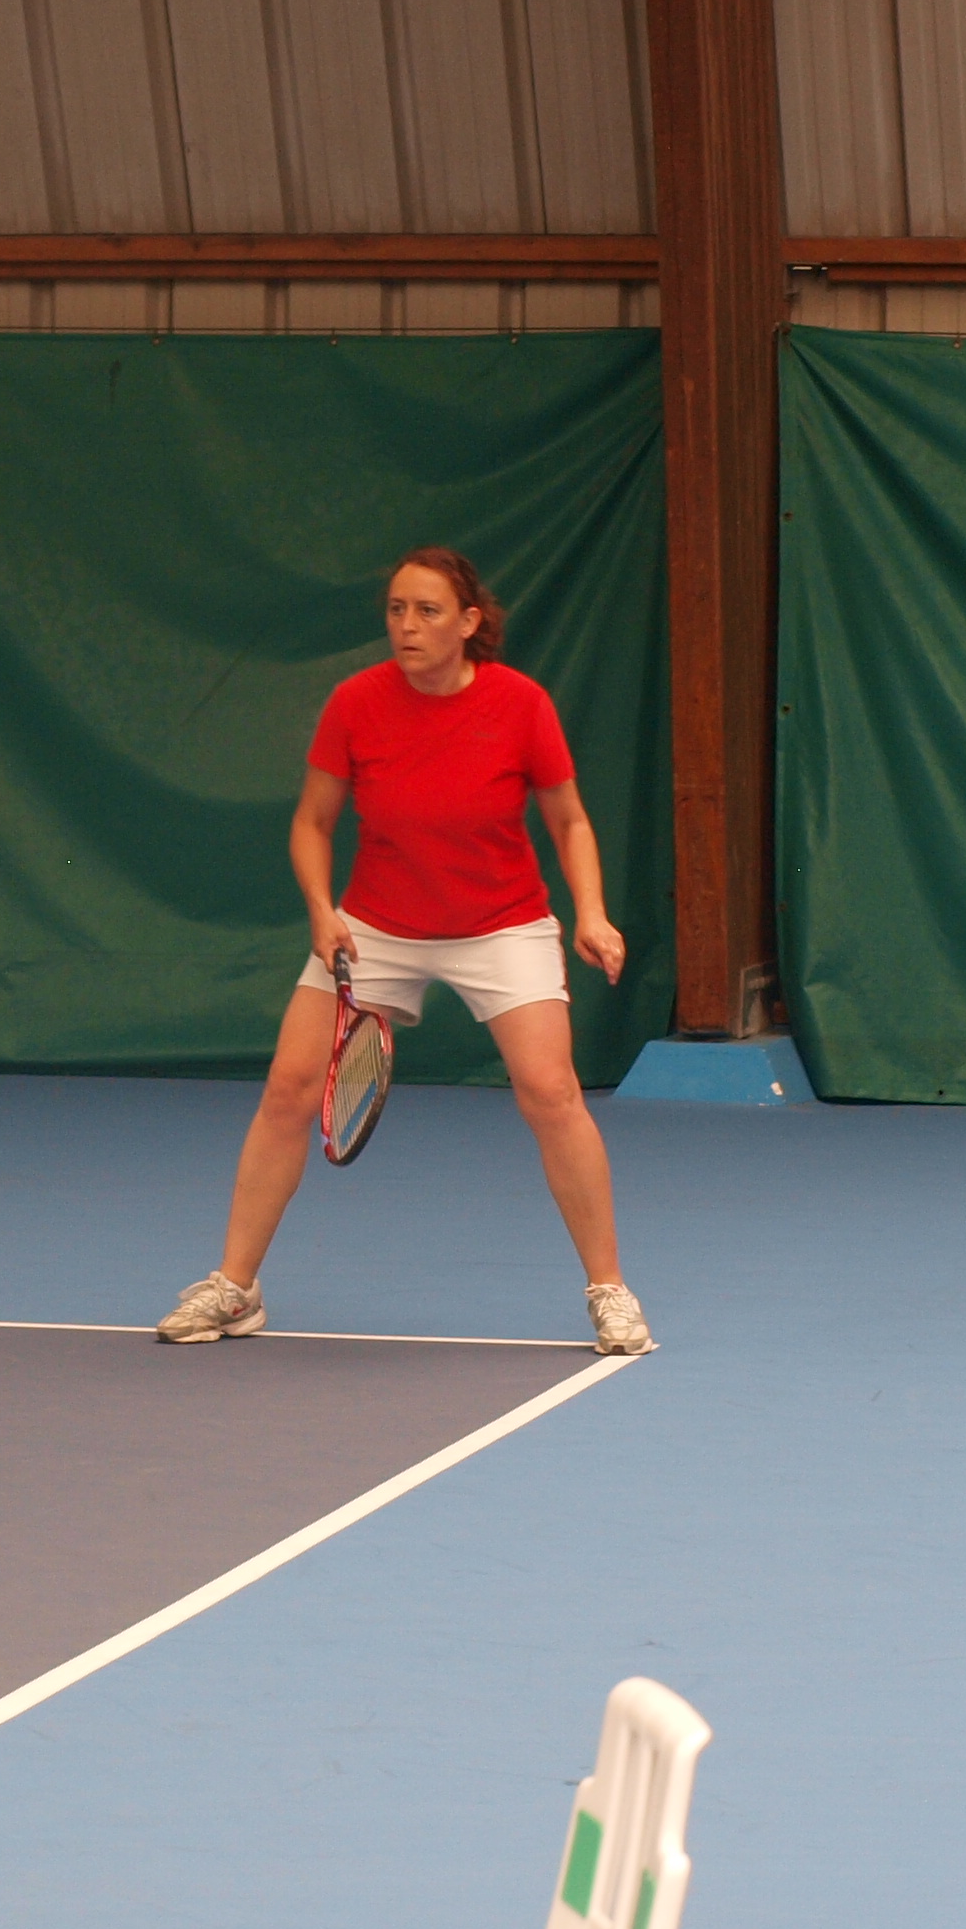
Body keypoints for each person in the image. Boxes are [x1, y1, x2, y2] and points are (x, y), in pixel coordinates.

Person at [159, 548, 652, 1356]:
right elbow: (312, 822)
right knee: (288, 1088)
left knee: (551, 1091)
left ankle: (611, 1291)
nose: (407, 626)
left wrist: (590, 914)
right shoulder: (356, 703)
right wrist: (322, 912)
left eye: (427, 611)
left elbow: (569, 821)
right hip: (376, 928)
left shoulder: (521, 704)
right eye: (396, 609)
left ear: (468, 622)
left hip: (502, 924)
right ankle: (235, 1286)